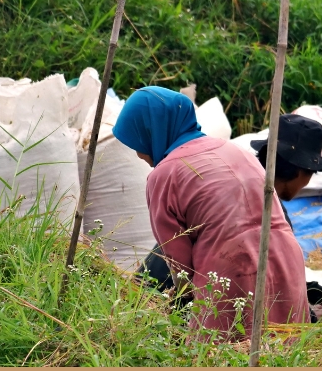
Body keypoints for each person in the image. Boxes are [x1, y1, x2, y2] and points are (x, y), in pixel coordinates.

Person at [113, 87, 309, 337]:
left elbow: (180, 265)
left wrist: (179, 306)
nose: (139, 155)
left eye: (138, 143)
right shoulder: (235, 150)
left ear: (152, 131)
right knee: (284, 354)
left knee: (221, 362)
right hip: (287, 261)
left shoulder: (164, 175)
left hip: (231, 272)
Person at [251, 113, 322, 319]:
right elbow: (267, 279)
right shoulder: (271, 214)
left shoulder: (246, 186)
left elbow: (274, 270)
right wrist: (310, 318)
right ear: (300, 172)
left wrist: (319, 293)